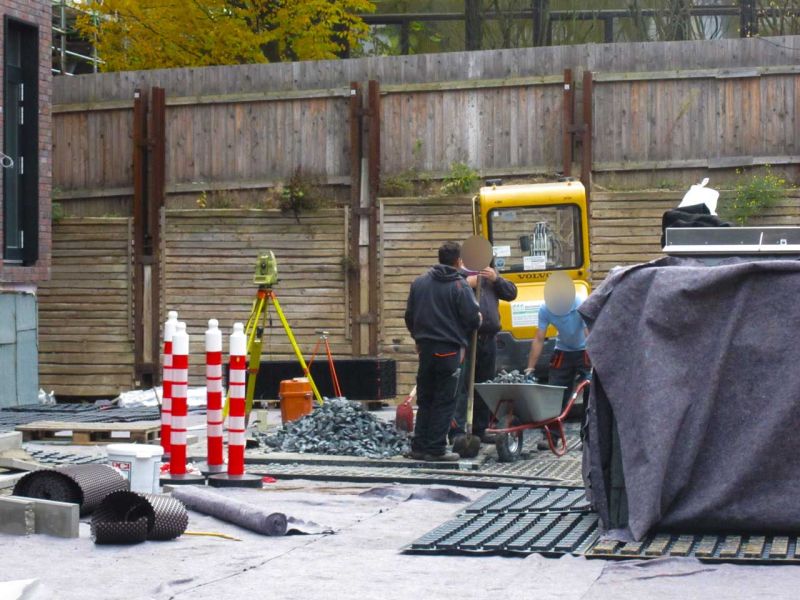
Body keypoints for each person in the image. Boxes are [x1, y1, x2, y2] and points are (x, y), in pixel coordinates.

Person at [405, 241, 482, 462]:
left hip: (426, 349)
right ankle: (436, 449)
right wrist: (478, 319)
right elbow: (470, 318)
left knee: (426, 397)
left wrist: (418, 338)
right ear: (459, 261)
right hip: (449, 351)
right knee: (445, 399)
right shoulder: (460, 286)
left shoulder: (419, 283)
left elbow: (409, 316)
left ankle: (419, 446)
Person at [451, 261, 517, 444]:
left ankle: (480, 429)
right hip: (467, 339)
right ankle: (457, 431)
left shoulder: (490, 277)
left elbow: (511, 293)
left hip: (489, 339)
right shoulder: (459, 277)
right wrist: (467, 284)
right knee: (463, 386)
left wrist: (497, 279)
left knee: (484, 385)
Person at [525, 273, 590, 450]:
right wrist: (530, 368)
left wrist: (597, 358)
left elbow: (588, 333)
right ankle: (552, 437)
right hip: (563, 351)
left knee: (591, 393)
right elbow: (539, 339)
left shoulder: (579, 302)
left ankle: (589, 438)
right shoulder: (546, 309)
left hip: (584, 350)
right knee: (555, 394)